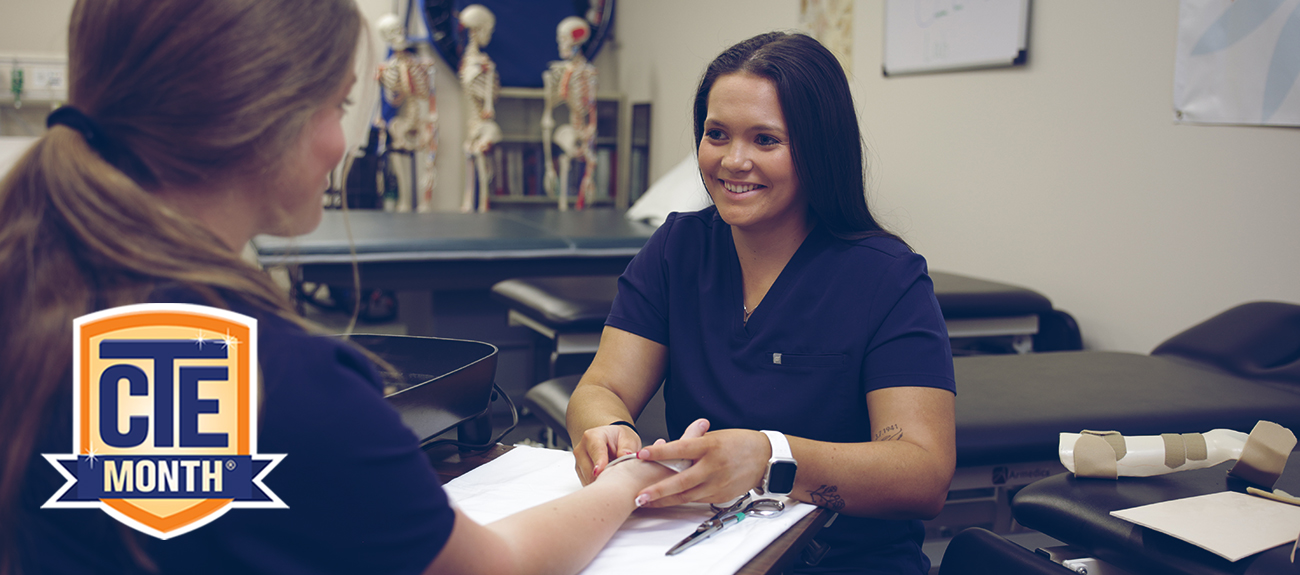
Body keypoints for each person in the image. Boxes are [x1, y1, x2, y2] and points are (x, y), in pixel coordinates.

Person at [0, 1, 677, 574]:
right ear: (265, 115)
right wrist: (630, 482)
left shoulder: (29, 298)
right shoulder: (291, 386)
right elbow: (497, 563)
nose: (338, 143)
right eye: (339, 104)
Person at [566, 31, 957, 574]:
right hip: (703, 550)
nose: (733, 161)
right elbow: (602, 387)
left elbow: (923, 472)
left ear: (818, 150)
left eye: (765, 140)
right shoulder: (678, 249)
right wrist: (609, 433)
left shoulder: (886, 279)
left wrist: (770, 458)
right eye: (717, 134)